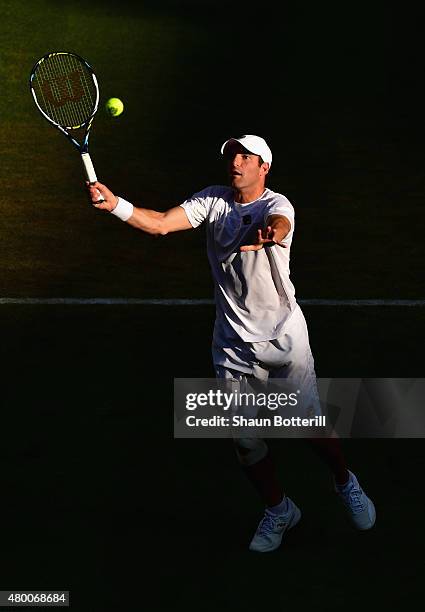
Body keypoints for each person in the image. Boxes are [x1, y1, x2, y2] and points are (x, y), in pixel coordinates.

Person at [87, 134, 376, 552]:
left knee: (306, 423)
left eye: (246, 156)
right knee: (243, 438)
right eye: (232, 155)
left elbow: (282, 224)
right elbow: (162, 223)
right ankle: (279, 510)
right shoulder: (213, 201)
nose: (235, 162)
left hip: (284, 338)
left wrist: (271, 236)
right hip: (233, 343)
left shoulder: (277, 205)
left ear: (264, 168)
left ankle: (344, 481)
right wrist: (116, 205)